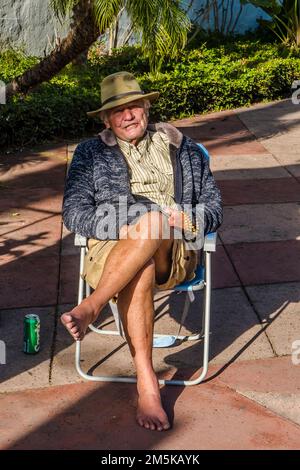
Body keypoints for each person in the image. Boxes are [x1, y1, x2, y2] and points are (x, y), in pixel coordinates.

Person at [61, 71, 222, 432]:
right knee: (141, 263)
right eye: (118, 111)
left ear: (147, 107)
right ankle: (147, 380)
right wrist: (116, 227)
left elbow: (214, 207)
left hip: (174, 248)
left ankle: (92, 305)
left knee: (152, 222)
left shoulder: (185, 149)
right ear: (106, 119)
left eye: (134, 106)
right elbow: (74, 212)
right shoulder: (89, 154)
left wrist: (188, 220)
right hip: (113, 246)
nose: (128, 115)